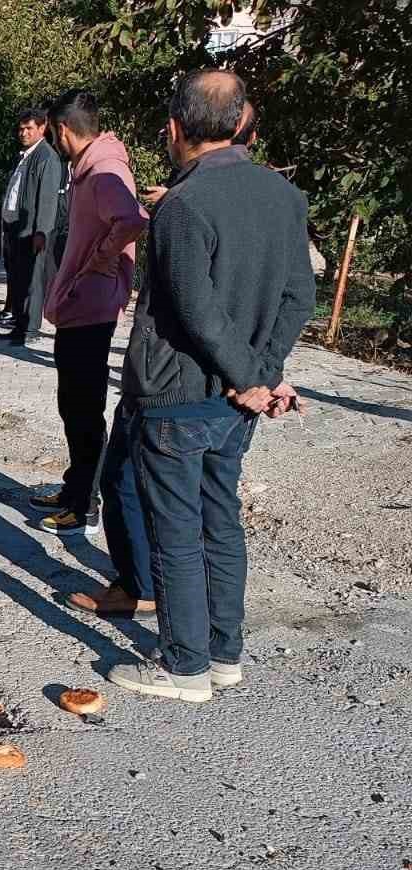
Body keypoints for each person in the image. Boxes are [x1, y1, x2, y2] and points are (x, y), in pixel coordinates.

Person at [107, 70, 314, 703]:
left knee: (176, 527)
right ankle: (225, 654)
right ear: (242, 123)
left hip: (181, 392)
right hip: (233, 399)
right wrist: (263, 374)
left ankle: (185, 666)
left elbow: (195, 312)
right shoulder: (286, 198)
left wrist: (254, 377)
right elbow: (298, 296)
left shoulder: (181, 205)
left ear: (174, 130)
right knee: (220, 519)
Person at [32, 90, 150, 549]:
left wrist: (101, 260)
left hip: (91, 306)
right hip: (80, 304)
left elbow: (132, 219)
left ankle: (85, 504)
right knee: (73, 404)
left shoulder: (103, 170)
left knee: (83, 408)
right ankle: (74, 487)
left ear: (62, 131)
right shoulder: (88, 169)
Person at [0, 107, 64, 345]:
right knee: (18, 278)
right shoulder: (26, 156)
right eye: (21, 128)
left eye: (29, 128)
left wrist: (41, 231)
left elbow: (47, 200)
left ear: (42, 128)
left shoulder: (46, 157)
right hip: (17, 226)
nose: (23, 133)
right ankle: (19, 324)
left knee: (33, 281)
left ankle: (30, 328)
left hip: (32, 230)